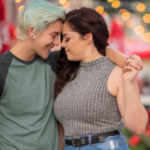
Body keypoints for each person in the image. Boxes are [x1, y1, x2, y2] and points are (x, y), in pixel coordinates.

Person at [0, 0, 143, 150]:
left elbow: (94, 50)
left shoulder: (54, 61)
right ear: (32, 32)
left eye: (62, 37)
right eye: (54, 35)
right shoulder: (3, 69)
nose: (57, 43)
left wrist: (126, 61)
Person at [54, 7, 148, 150]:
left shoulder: (116, 72)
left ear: (88, 37)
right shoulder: (66, 73)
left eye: (67, 38)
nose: (62, 44)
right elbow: (62, 129)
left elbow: (138, 126)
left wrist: (128, 82)